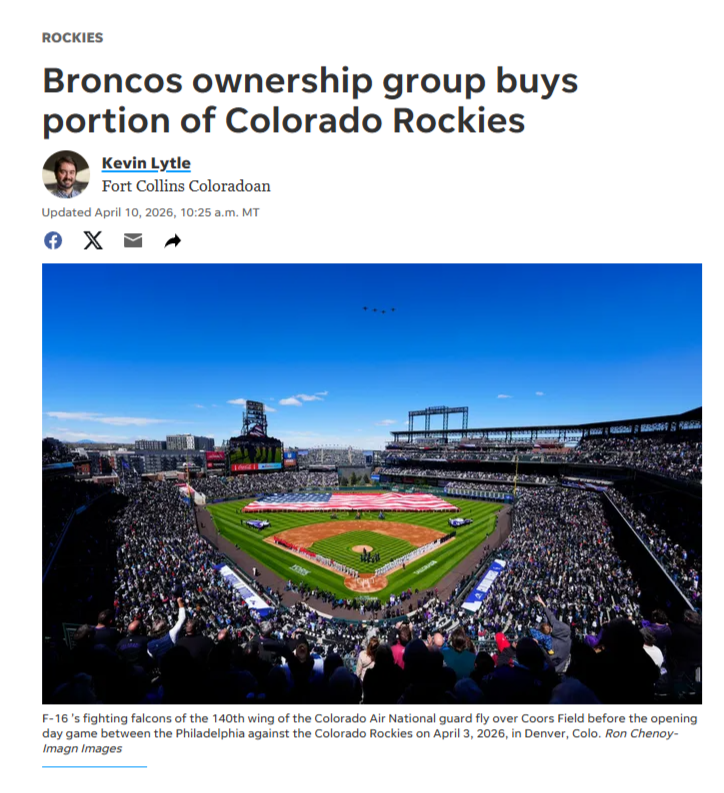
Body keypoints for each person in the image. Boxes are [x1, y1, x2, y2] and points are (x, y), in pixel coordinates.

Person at [147, 597, 187, 665]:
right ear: (153, 630)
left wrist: (180, 603)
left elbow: (182, 619)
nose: (157, 621)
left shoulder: (171, 635)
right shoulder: (150, 644)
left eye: (159, 620)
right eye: (156, 623)